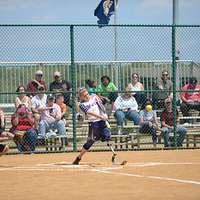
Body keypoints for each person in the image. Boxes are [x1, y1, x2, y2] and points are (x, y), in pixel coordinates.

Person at [72, 88, 111, 165]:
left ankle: (103, 138)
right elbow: (90, 113)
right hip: (93, 123)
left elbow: (100, 105)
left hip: (101, 121)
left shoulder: (94, 96)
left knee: (107, 136)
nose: (86, 96)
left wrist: (104, 113)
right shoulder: (82, 105)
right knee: (90, 141)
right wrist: (100, 116)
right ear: (81, 97)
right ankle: (79, 157)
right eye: (84, 95)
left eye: (87, 94)